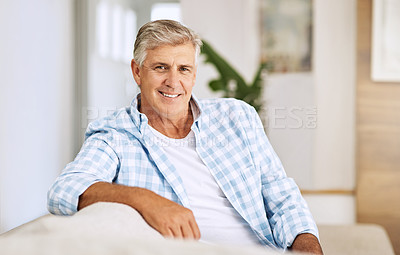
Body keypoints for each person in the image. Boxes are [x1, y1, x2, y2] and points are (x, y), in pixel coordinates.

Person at [47, 20, 323, 254]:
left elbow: (280, 193)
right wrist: (146, 199)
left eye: (184, 69)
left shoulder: (238, 116)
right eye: (160, 67)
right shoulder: (115, 133)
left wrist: (308, 243)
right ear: (137, 72)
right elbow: (64, 191)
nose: (173, 81)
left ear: (193, 75)